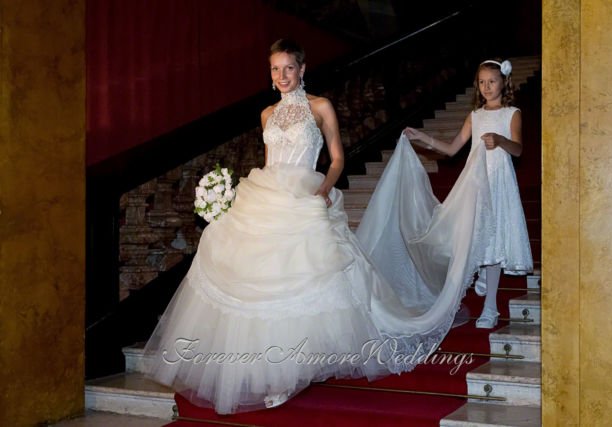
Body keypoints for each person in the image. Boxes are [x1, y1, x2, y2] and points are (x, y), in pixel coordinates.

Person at [143, 39, 472, 415]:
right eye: (275, 69)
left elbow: (336, 159)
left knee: (302, 281)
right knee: (258, 283)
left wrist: (324, 190)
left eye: (288, 68)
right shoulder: (267, 114)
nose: (282, 76)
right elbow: (269, 164)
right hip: (267, 196)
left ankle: (291, 373)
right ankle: (268, 367)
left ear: (302, 68)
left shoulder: (320, 107)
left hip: (306, 194)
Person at [403, 58, 533, 328]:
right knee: (475, 233)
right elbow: (452, 149)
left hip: (499, 182)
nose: (487, 87)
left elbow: (518, 149)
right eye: (482, 82)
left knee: (494, 238)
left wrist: (501, 140)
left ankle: (490, 308)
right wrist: (422, 138)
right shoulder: (475, 116)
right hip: (475, 182)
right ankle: (484, 273)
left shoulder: (512, 113)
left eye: (492, 81)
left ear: (503, 82)